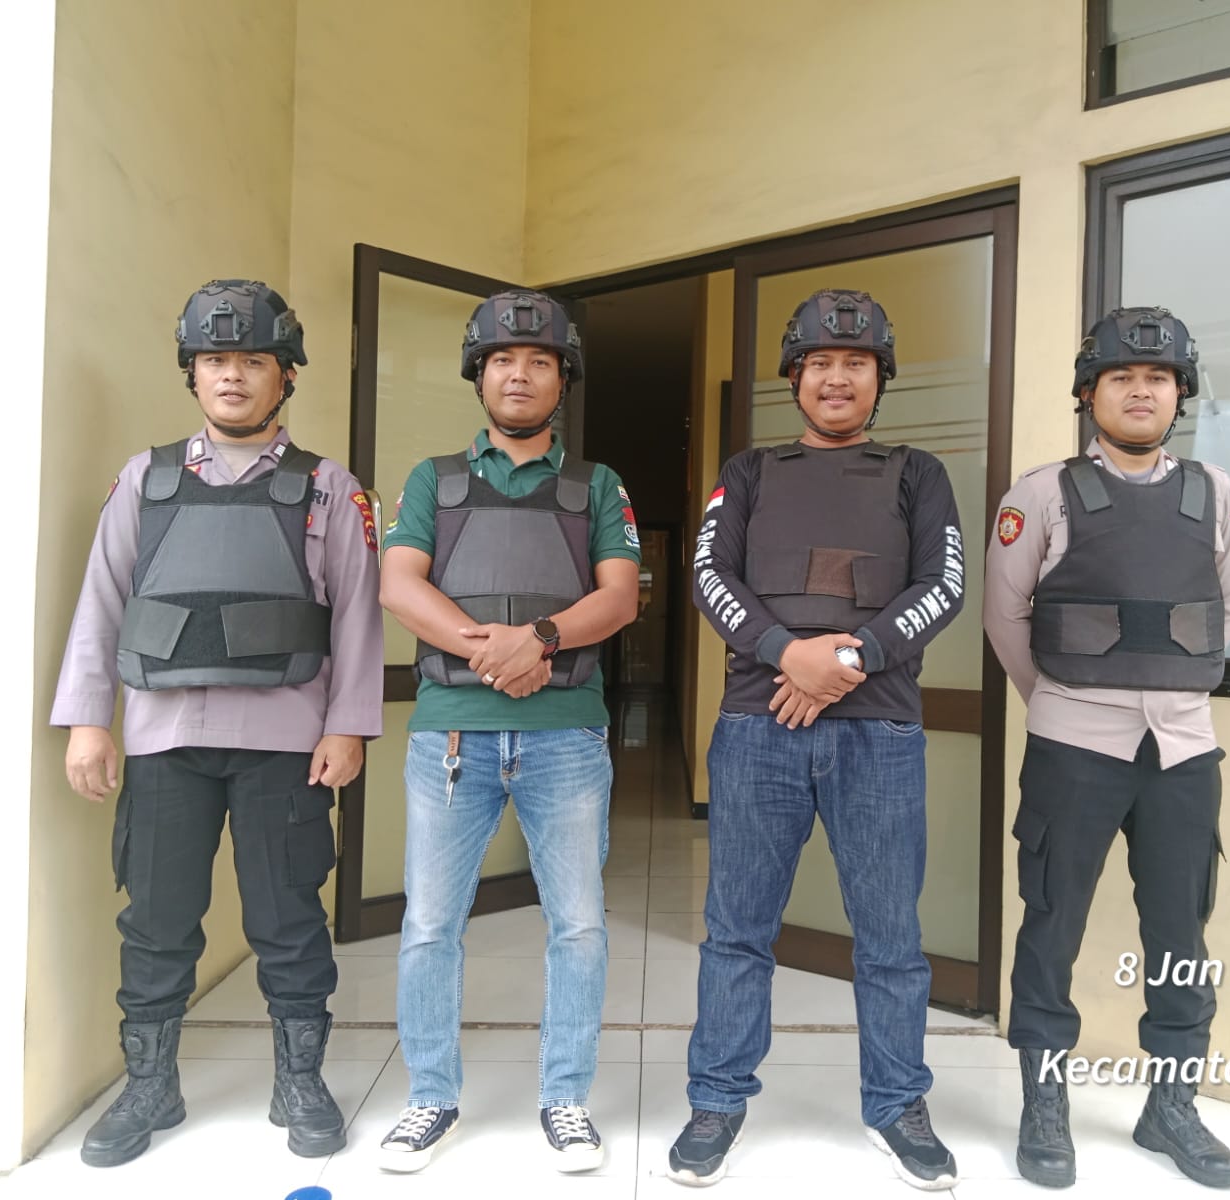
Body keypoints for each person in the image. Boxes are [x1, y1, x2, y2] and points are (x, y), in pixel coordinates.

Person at [52, 279, 384, 1166]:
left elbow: (358, 616)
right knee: (157, 921)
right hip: (165, 740)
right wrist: (88, 721)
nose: (232, 375)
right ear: (192, 375)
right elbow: (102, 601)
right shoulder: (146, 480)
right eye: (214, 360)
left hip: (285, 741)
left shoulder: (328, 488)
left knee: (288, 917)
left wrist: (349, 725)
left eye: (252, 361)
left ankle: (299, 1081)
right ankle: (150, 1086)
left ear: (286, 377)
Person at [669, 290, 966, 1191]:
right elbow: (708, 574)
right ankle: (717, 1100)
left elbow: (943, 585)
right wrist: (784, 653)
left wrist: (851, 657)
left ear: (881, 377)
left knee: (890, 937)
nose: (838, 378)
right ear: (794, 378)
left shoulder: (917, 473)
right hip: (757, 727)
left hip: (878, 732)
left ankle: (898, 1104)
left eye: (857, 363)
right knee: (737, 931)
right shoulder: (750, 472)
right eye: (820, 363)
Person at [983, 306, 1230, 1189]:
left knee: (1180, 932)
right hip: (1073, 749)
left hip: (1184, 752)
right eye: (1122, 378)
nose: (1142, 391)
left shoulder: (1214, 493)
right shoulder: (1040, 495)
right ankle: (1044, 1104)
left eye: (1159, 378)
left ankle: (1171, 1108)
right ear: (1088, 393)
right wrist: (1064, 702)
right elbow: (1006, 618)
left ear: (1181, 393)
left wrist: (1165, 689)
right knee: (1051, 925)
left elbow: (1226, 607)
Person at [375, 289, 640, 1174]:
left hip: (566, 737)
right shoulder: (434, 479)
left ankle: (566, 1098)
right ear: (478, 375)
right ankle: (430, 1097)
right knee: (429, 925)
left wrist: (543, 638)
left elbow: (619, 596)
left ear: (563, 379)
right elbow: (399, 585)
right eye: (501, 360)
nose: (518, 374)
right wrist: (493, 650)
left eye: (538, 361)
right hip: (452, 738)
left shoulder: (597, 486)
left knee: (579, 926)